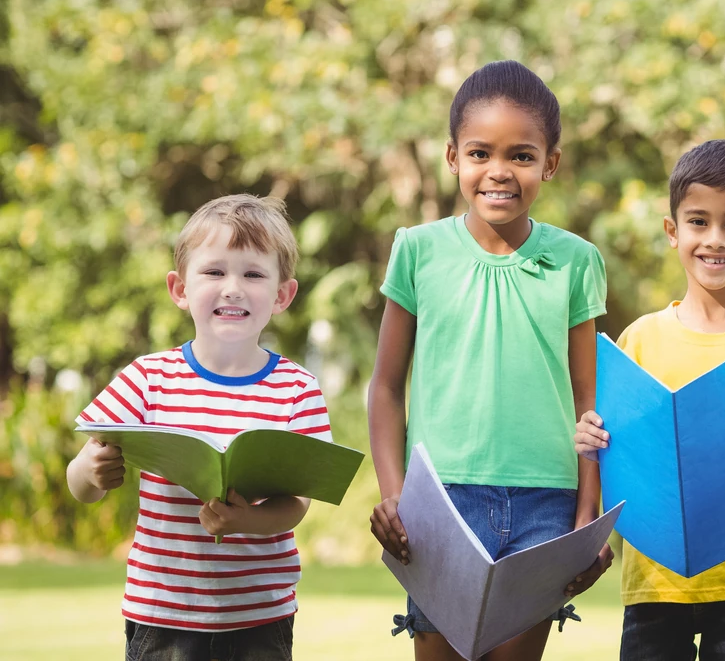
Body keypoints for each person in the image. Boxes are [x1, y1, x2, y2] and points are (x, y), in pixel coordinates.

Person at [366, 60, 611, 661]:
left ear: (549, 163)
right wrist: (397, 496)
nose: (499, 172)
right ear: (452, 156)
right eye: (480, 153)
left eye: (522, 156)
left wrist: (587, 515)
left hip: (546, 505)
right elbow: (386, 388)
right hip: (439, 502)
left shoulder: (577, 261)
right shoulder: (417, 251)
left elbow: (591, 402)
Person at [573, 139, 725, 661]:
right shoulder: (637, 341)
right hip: (654, 579)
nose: (715, 240)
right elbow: (611, 446)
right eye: (698, 221)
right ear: (672, 231)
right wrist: (590, 438)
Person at [66, 194, 333, 660]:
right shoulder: (148, 378)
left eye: (253, 274)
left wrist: (246, 520)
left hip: (260, 617)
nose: (232, 288)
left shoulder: (297, 388)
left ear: (282, 295)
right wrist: (89, 470)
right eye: (214, 272)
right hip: (162, 614)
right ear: (180, 289)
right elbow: (81, 483)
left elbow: (298, 502)